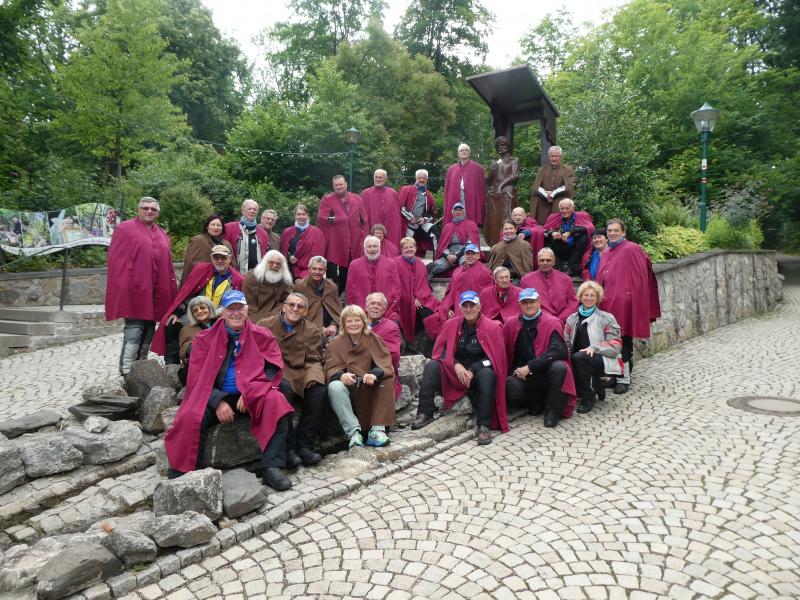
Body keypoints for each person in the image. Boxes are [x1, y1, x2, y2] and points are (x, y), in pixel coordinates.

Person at [164, 290, 295, 491]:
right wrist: (218, 401)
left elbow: (273, 367)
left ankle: (272, 466)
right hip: (215, 393)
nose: (236, 313)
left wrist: (253, 392)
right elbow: (197, 377)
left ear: (246, 310)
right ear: (222, 312)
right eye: (230, 309)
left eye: (239, 308)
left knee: (277, 403)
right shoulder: (204, 338)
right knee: (189, 416)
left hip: (251, 391)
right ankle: (186, 470)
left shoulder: (262, 334)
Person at [411, 291, 508, 445]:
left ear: (479, 307)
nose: (469, 309)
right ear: (460, 308)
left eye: (472, 305)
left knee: (488, 375)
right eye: (465, 306)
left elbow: (495, 359)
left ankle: (483, 425)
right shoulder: (450, 324)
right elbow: (440, 351)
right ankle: (425, 412)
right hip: (454, 372)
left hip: (478, 373)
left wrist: (472, 369)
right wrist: (455, 364)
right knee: (432, 366)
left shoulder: (493, 326)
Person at [106, 197, 177, 375]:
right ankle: (126, 371)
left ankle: (140, 371)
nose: (149, 211)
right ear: (138, 210)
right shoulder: (125, 229)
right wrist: (123, 287)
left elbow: (167, 265)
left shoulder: (161, 233)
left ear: (158, 213)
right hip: (134, 290)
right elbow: (117, 260)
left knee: (148, 329)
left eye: (153, 209)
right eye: (145, 208)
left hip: (154, 291)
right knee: (135, 328)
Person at [259, 292, 326, 467]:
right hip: (277, 369)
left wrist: (314, 375)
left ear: (305, 311)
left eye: (300, 306)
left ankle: (305, 445)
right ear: (284, 306)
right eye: (291, 305)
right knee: (283, 390)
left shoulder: (312, 330)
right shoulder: (265, 325)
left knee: (318, 391)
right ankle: (288, 449)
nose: (295, 309)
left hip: (303, 369)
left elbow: (313, 358)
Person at [595, 218, 661, 394]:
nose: (612, 233)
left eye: (616, 230)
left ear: (624, 232)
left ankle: (624, 377)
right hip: (607, 304)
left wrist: (630, 299)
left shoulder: (631, 249)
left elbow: (639, 277)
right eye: (610, 231)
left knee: (623, 340)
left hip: (624, 304)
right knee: (610, 340)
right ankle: (614, 375)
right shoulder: (607, 251)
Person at [151, 244, 244, 361]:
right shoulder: (201, 270)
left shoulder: (237, 279)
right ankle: (172, 365)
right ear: (211, 258)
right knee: (171, 324)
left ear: (229, 259)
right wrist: (178, 312)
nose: (220, 260)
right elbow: (188, 294)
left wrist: (213, 314)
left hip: (220, 317)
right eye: (216, 257)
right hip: (196, 311)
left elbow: (233, 305)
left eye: (223, 257)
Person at [503, 288, 576, 427]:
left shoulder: (552, 322)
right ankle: (536, 401)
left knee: (560, 367)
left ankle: (553, 411)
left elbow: (559, 350)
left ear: (539, 302)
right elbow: (503, 349)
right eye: (525, 302)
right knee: (510, 388)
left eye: (532, 301)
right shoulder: (511, 323)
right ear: (519, 305)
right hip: (522, 376)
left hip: (545, 374)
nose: (528, 305)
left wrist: (530, 366)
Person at [325, 305, 396, 449]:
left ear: (363, 322)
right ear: (343, 324)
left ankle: (377, 430)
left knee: (386, 379)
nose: (353, 324)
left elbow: (384, 364)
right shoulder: (335, 343)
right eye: (349, 321)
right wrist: (341, 375)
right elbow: (330, 368)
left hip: (369, 387)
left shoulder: (374, 338)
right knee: (334, 386)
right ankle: (354, 433)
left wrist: (374, 374)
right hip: (351, 389)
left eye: (357, 320)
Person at [564, 281, 623, 413]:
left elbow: (616, 345)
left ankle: (588, 397)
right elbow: (566, 342)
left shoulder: (606, 318)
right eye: (586, 295)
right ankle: (596, 386)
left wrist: (594, 348)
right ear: (580, 297)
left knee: (579, 357)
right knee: (572, 359)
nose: (588, 298)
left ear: (598, 299)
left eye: (592, 296)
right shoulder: (572, 319)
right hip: (577, 359)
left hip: (602, 358)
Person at [424, 243, 493, 339]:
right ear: (464, 255)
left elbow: (486, 296)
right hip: (455, 307)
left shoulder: (485, 272)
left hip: (471, 309)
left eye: (473, 254)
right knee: (433, 320)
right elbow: (451, 293)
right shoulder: (457, 271)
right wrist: (448, 308)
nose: (470, 256)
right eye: (467, 254)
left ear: (478, 255)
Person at [317, 175, 367, 293]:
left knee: (348, 269)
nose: (339, 187)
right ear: (333, 186)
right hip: (335, 241)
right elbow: (321, 217)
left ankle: (344, 294)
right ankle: (330, 295)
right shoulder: (327, 200)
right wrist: (340, 218)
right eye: (336, 185)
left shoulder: (357, 199)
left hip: (353, 241)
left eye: (341, 184)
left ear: (346, 184)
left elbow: (364, 219)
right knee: (332, 270)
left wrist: (364, 237)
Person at [393, 237, 440, 349]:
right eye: (406, 247)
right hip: (402, 299)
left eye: (411, 247)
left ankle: (425, 344)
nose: (409, 249)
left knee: (432, 312)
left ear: (415, 248)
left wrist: (418, 296)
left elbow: (423, 284)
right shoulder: (395, 263)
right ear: (401, 249)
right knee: (415, 311)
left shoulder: (420, 264)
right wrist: (411, 299)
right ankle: (411, 340)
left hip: (421, 297)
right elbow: (396, 286)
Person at [344, 236, 401, 322]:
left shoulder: (390, 264)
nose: (372, 249)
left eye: (375, 246)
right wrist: (353, 310)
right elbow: (350, 291)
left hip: (386, 311)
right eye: (369, 246)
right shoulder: (354, 265)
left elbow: (396, 289)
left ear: (379, 247)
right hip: (361, 311)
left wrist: (390, 308)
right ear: (364, 248)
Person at [520, 248, 578, 324]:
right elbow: (523, 303)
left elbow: (573, 303)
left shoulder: (566, 279)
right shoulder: (526, 280)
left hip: (563, 321)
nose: (545, 263)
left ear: (553, 262)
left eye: (548, 260)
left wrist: (560, 319)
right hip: (537, 323)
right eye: (542, 260)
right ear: (538, 262)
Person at [427, 202, 481, 280]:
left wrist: (457, 255)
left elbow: (472, 242)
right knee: (431, 267)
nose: (458, 212)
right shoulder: (447, 227)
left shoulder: (471, 224)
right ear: (452, 213)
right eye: (456, 210)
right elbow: (442, 245)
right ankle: (425, 287)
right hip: (449, 253)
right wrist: (447, 255)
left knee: (468, 266)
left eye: (460, 210)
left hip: (465, 252)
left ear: (463, 212)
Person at [542, 198, 595, 277]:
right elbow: (543, 230)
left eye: (567, 208)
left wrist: (570, 232)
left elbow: (589, 228)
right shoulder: (553, 217)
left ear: (573, 208)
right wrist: (552, 232)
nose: (564, 211)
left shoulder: (582, 215)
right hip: (559, 248)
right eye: (562, 209)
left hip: (575, 250)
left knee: (583, 237)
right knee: (546, 239)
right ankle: (557, 267)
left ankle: (572, 268)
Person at [293, 256, 342, 338]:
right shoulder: (300, 286)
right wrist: (318, 327)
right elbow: (296, 312)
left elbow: (337, 309)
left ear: (325, 271)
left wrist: (334, 325)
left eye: (320, 269)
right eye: (314, 268)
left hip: (330, 326)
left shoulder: (332, 287)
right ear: (309, 269)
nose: (317, 272)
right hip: (308, 326)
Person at [365, 292, 402, 400]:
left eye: (379, 304)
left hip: (380, 370)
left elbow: (393, 354)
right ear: (366, 307)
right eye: (372, 303)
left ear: (384, 310)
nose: (375, 306)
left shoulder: (390, 327)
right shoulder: (357, 325)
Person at [484, 136, 520, 246]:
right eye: (498, 146)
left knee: (507, 216)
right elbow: (488, 182)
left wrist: (501, 186)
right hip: (494, 195)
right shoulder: (495, 163)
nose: (501, 147)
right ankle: (494, 242)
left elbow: (514, 176)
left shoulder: (514, 160)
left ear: (508, 147)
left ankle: (509, 239)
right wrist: (491, 172)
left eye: (503, 145)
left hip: (506, 193)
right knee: (493, 219)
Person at [181, 214, 235, 286]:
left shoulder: (227, 244)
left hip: (224, 285)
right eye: (213, 224)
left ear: (222, 228)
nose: (216, 227)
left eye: (218, 225)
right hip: (202, 285)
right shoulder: (198, 241)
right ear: (207, 227)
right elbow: (190, 266)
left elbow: (233, 266)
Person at [242, 250, 293, 322]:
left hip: (275, 318)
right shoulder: (252, 276)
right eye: (271, 262)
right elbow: (248, 304)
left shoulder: (284, 280)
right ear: (264, 263)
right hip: (252, 318)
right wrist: (257, 323)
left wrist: (271, 317)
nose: (274, 266)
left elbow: (286, 301)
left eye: (278, 264)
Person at [177, 296, 218, 385]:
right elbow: (183, 352)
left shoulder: (222, 323)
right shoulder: (186, 330)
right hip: (200, 370)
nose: (199, 311)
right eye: (195, 310)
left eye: (202, 307)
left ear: (209, 308)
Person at [224, 199, 271, 274]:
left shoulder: (263, 234)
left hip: (257, 277)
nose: (252, 211)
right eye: (249, 208)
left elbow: (265, 255)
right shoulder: (229, 228)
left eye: (255, 209)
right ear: (243, 210)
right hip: (235, 275)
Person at [398, 169, 437, 258]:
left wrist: (424, 219)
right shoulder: (406, 190)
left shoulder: (429, 195)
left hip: (421, 222)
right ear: (416, 178)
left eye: (424, 178)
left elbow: (431, 212)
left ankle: (434, 258)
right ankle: (406, 259)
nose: (422, 180)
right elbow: (400, 206)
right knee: (408, 242)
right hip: (408, 223)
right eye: (420, 178)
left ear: (427, 179)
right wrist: (410, 218)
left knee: (433, 232)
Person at [444, 143, 486, 226]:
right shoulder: (452, 169)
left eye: (466, 150)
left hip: (471, 197)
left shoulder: (478, 168)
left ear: (469, 153)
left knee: (469, 217)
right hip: (454, 197)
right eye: (461, 150)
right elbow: (448, 188)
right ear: (458, 153)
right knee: (455, 217)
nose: (464, 152)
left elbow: (481, 188)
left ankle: (469, 234)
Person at [532, 146, 575, 225]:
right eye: (552, 156)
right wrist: (546, 194)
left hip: (560, 202)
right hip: (544, 202)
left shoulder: (568, 169)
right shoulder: (542, 169)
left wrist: (553, 194)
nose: (554, 158)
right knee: (543, 225)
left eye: (556, 156)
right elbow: (536, 187)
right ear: (549, 157)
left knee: (558, 224)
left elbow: (568, 186)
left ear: (560, 157)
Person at [280, 204, 325, 280]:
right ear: (295, 216)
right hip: (288, 268)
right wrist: (289, 257)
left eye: (303, 214)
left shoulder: (317, 232)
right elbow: (283, 250)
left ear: (307, 215)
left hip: (308, 269)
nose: (301, 217)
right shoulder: (287, 232)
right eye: (299, 214)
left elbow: (318, 254)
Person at [361, 169, 403, 249]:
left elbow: (397, 213)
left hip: (390, 228)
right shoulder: (366, 193)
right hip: (373, 228)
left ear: (385, 179)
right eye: (376, 177)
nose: (378, 179)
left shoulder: (393, 193)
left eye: (380, 177)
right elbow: (363, 215)